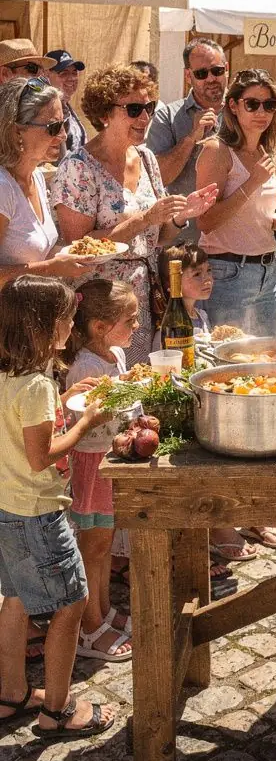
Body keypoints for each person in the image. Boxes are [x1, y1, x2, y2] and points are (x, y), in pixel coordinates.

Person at [0, 274, 116, 741]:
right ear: (47, 327)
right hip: (38, 513)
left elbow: (19, 429)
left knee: (16, 599)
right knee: (70, 604)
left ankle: (10, 693)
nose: (72, 326)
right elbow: (41, 455)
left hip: (7, 508)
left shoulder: (11, 377)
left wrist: (64, 401)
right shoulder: (36, 386)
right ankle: (58, 709)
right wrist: (86, 419)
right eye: (68, 319)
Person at [52, 65, 216, 363]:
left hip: (145, 298)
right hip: (103, 306)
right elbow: (79, 248)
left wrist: (181, 216)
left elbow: (158, 237)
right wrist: (144, 219)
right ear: (105, 113)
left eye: (149, 108)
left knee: (143, 378)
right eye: (134, 109)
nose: (145, 117)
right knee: (107, 382)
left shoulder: (146, 158)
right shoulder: (79, 167)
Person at [63, 278, 139, 663]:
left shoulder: (115, 354)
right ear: (99, 326)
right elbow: (84, 418)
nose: (138, 325)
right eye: (130, 320)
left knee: (104, 543)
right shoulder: (84, 367)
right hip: (92, 464)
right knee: (92, 546)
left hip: (109, 458)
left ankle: (104, 609)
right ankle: (89, 626)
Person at [196, 67, 276, 336]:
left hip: (269, 271)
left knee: (266, 356)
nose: (262, 112)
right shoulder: (217, 151)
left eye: (269, 105)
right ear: (234, 106)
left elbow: (257, 215)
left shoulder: (270, 153)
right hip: (227, 272)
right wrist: (252, 182)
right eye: (252, 104)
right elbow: (205, 221)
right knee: (225, 356)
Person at [0, 79, 88, 288]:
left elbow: (37, 252)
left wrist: (77, 255)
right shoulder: (3, 188)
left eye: (65, 124)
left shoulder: (37, 177)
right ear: (17, 131)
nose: (63, 136)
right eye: (53, 127)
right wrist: (51, 268)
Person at [147, 38, 229, 242]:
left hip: (234, 243)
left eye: (217, 71)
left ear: (226, 69)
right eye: (201, 74)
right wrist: (192, 137)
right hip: (186, 241)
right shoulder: (167, 116)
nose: (211, 78)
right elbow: (159, 177)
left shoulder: (246, 111)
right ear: (188, 76)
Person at [154, 243, 214, 344]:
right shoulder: (170, 325)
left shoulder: (202, 316)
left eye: (209, 270)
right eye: (197, 274)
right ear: (173, 282)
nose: (208, 279)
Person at [45, 49, 87, 153]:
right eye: (64, 73)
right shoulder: (45, 110)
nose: (71, 78)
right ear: (46, 75)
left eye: (74, 73)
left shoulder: (66, 106)